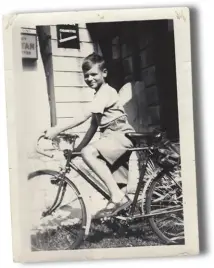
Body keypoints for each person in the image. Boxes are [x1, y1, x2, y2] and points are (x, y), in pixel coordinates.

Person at [45, 53, 135, 216]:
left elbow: (84, 115)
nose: (89, 78)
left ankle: (117, 197)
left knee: (90, 153)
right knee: (116, 181)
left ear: (104, 73)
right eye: (86, 75)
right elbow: (93, 125)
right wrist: (77, 150)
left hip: (119, 134)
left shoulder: (106, 92)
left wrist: (56, 129)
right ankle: (124, 211)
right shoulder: (98, 95)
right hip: (110, 135)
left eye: (93, 74)